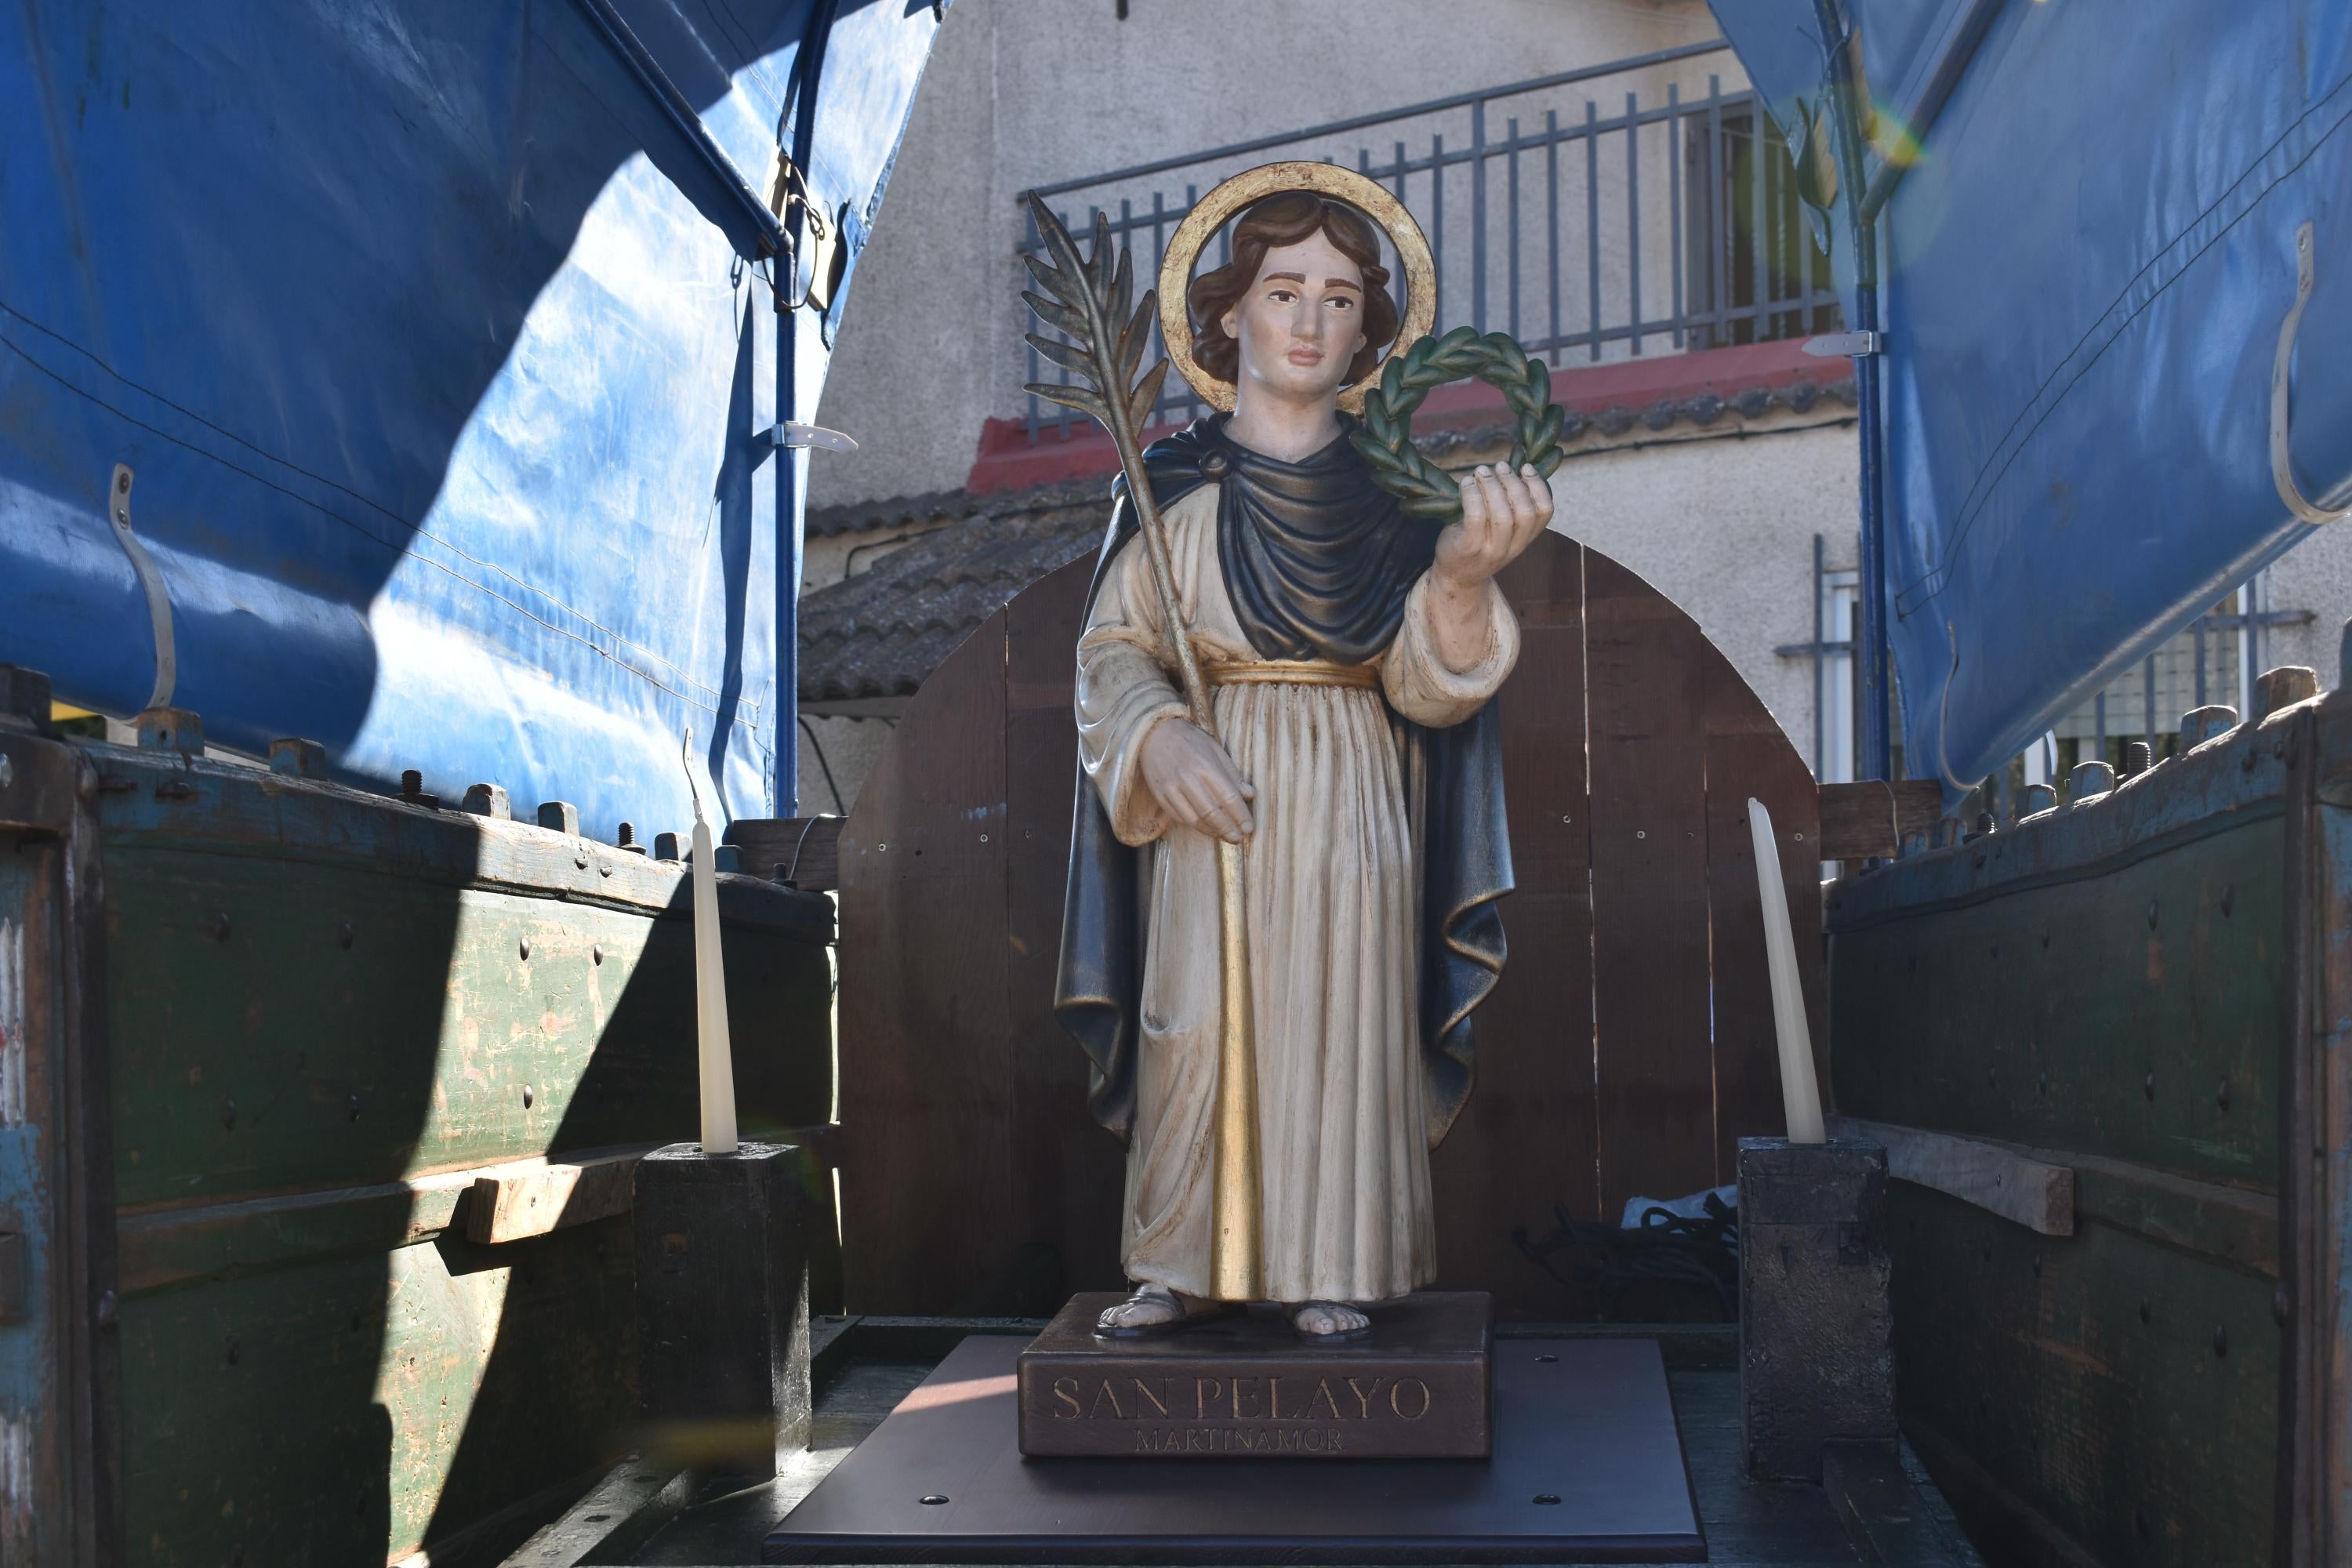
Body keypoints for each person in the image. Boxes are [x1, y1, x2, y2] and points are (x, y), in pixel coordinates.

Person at [1054, 189, 1553, 1340]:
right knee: (1190, 1026)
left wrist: (1466, 582)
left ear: (1369, 329)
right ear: (1231, 317)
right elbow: (1112, 649)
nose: (1312, 324)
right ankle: (1179, 1261)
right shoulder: (1167, 480)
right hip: (1205, 790)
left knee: (1342, 1030)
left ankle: (1342, 1256)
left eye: (1340, 300)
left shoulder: (1396, 495)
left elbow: (1430, 690)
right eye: (1284, 294)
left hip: (1348, 792)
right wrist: (1159, 733)